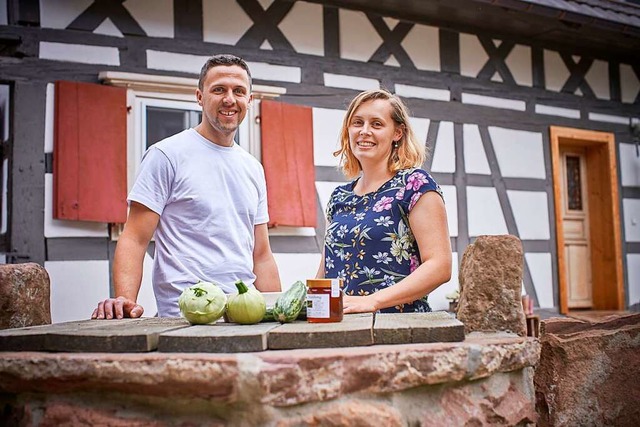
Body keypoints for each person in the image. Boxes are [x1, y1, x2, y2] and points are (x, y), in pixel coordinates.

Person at [92, 54, 281, 319]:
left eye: (239, 91)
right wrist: (126, 300)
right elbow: (134, 238)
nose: (229, 99)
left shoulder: (253, 168)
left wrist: (276, 314)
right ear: (199, 97)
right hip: (185, 317)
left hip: (242, 315)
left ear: (249, 100)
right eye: (219, 89)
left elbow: (261, 255)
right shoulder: (166, 155)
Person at [316, 89, 451, 313]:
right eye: (357, 122)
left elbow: (440, 266)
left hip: (399, 327)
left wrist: (373, 301)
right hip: (342, 326)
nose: (364, 131)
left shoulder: (414, 185)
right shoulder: (340, 196)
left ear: (397, 133)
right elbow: (327, 268)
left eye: (377, 124)